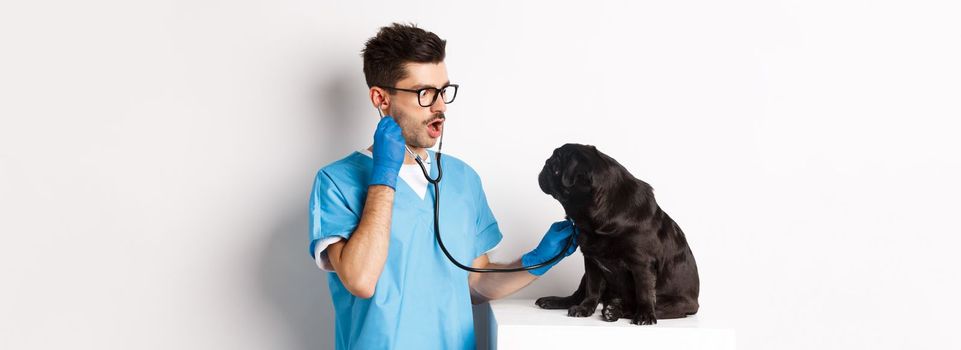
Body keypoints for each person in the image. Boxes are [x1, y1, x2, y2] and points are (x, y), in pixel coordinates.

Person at [308, 23, 578, 350]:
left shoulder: (463, 179)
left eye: (443, 91)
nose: (440, 107)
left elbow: (474, 283)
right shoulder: (336, 181)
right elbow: (361, 281)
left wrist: (538, 260)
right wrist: (383, 176)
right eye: (425, 93)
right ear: (380, 98)